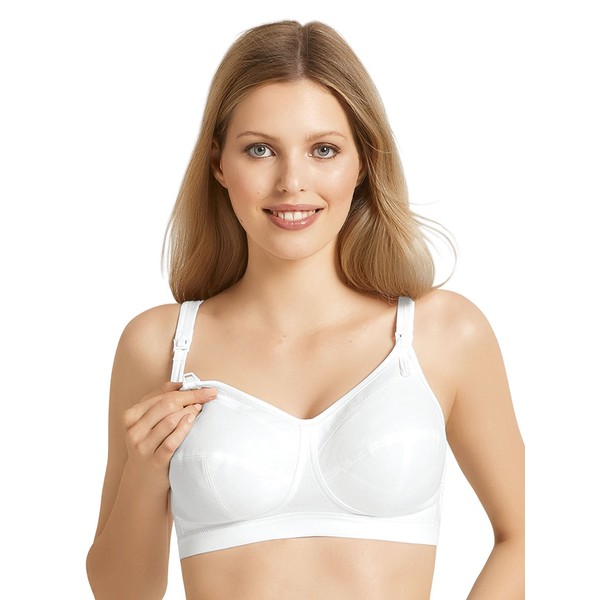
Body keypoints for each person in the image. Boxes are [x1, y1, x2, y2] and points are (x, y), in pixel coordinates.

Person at [86, 20, 524, 600]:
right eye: (260, 149)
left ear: (363, 161)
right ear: (218, 163)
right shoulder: (160, 345)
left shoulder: (445, 334)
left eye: (323, 150)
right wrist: (145, 475)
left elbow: (524, 536)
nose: (291, 182)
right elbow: (121, 592)